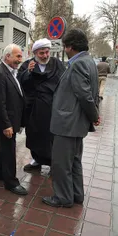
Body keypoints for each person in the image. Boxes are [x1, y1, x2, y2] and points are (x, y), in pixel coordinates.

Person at [42, 29, 100, 207]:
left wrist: (94, 115)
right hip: (75, 123)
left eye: (65, 46)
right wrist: (93, 115)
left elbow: (85, 95)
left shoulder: (77, 64)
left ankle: (63, 198)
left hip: (67, 124)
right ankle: (76, 194)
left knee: (61, 164)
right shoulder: (88, 61)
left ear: (71, 47)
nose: (64, 50)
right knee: (74, 162)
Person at [17, 38, 65, 173]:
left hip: (52, 107)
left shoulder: (57, 64)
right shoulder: (27, 65)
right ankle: (36, 160)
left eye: (47, 52)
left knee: (51, 136)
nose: (45, 56)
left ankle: (52, 163)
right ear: (35, 53)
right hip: (34, 108)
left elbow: (64, 83)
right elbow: (20, 83)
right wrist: (28, 73)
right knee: (34, 135)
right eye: (41, 53)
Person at [0, 44, 28, 195]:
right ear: (7, 56)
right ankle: (11, 183)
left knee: (5, 147)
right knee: (9, 150)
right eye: (17, 56)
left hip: (11, 120)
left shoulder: (11, 72)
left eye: (20, 56)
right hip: (5, 122)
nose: (20, 60)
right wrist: (6, 125)